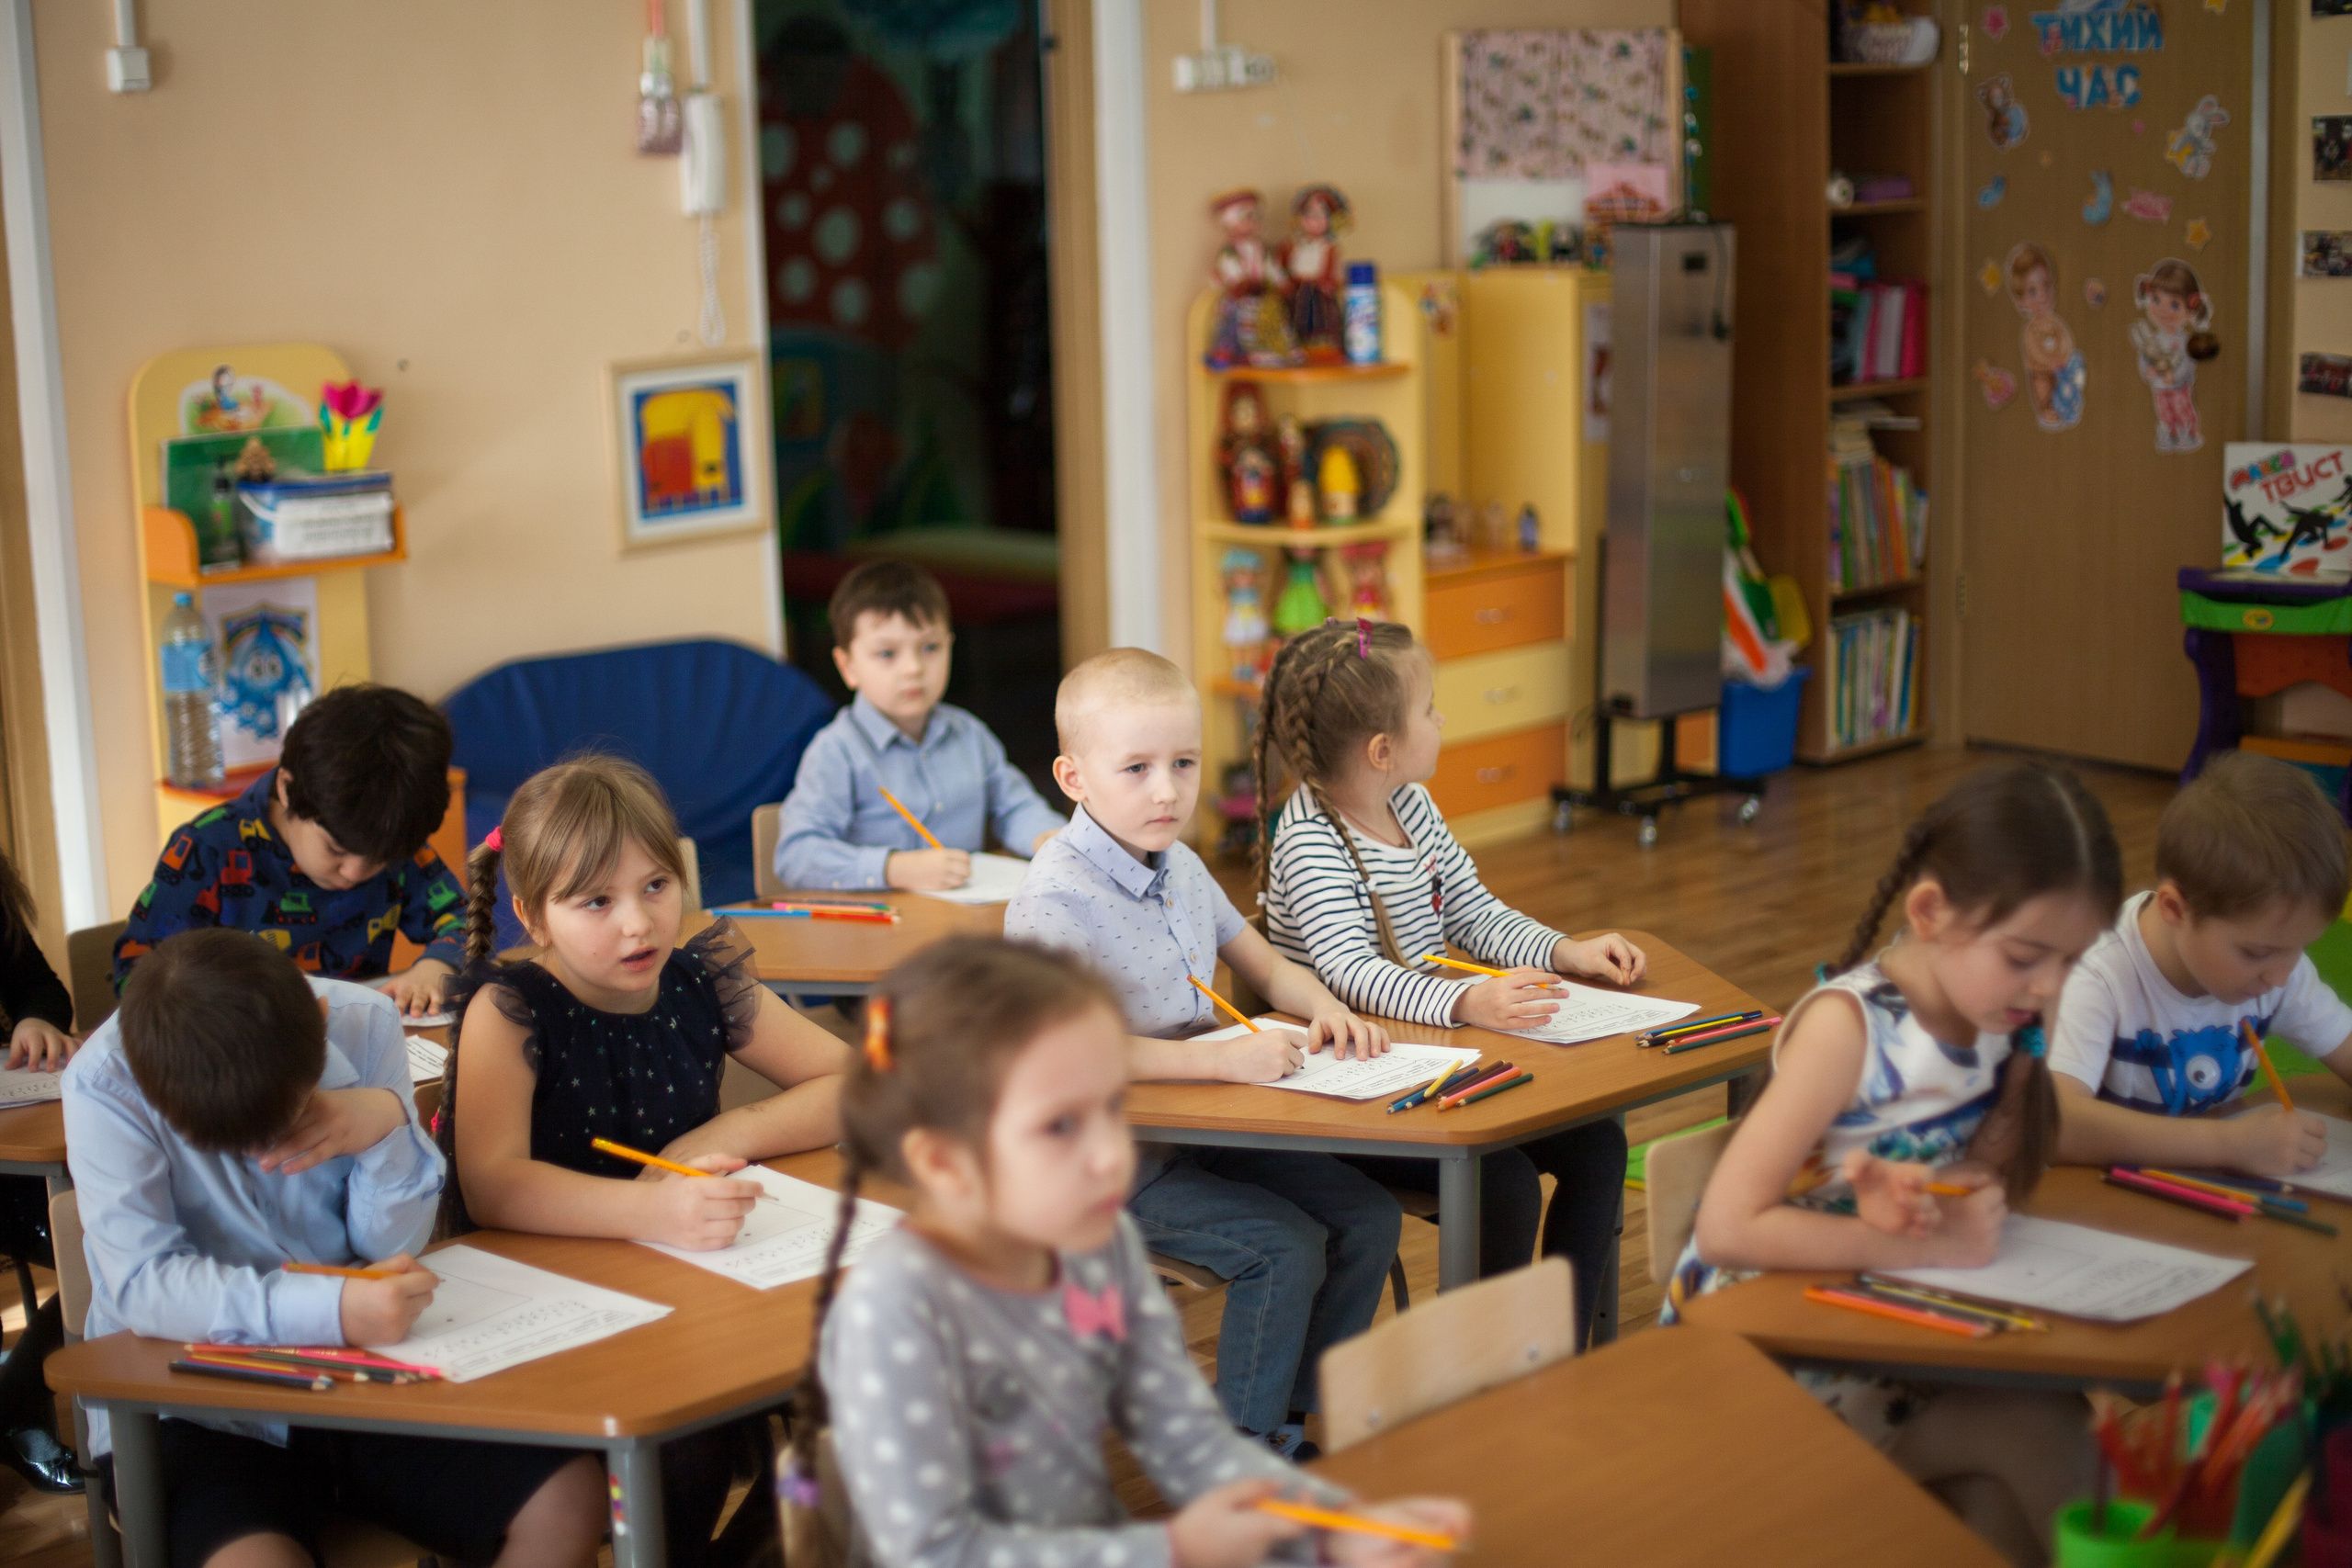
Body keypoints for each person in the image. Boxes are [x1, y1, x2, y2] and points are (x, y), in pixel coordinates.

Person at [785, 936, 1469, 1568]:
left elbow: (1190, 1441)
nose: (1110, 1154)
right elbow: (936, 1550)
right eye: (1059, 1127)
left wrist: (1336, 1526)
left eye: (1110, 1108)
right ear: (944, 1163)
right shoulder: (895, 1312)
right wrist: (1170, 1546)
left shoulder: (1099, 1250)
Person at [1663, 759, 2119, 1564]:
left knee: (2008, 1493)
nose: (2050, 986)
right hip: (1763, 1351)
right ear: (1932, 911)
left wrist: (1996, 1129)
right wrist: (1924, 1245)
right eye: (2025, 956)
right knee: (2053, 1438)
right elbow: (1729, 1228)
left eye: (2072, 962)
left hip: (1887, 1322)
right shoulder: (1850, 1029)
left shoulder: (1995, 1013)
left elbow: (1972, 1175)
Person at [62, 930, 605, 1568]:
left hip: (360, 1374)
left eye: (284, 1124)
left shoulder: (363, 1022)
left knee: (569, 1499)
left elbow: (385, 1247)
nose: (256, 1157)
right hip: (199, 1405)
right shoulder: (105, 1082)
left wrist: (382, 1125)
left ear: (318, 1027)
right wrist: (333, 1307)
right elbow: (146, 1285)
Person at [439, 753, 852, 1563]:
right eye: (596, 901)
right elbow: (494, 1186)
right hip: (563, 1311)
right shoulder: (510, 1007)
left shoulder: (700, 976)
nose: (639, 923)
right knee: (683, 1460)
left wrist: (723, 1137)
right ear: (533, 913)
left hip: (698, 1288)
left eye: (656, 886)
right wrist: (650, 1208)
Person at [1006, 649, 1398, 1461]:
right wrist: (1221, 1062)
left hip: (1211, 1129)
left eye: (1183, 763)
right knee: (1281, 1249)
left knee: (1369, 1216)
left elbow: (1259, 960)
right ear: (1073, 777)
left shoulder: (1179, 863)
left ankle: (1294, 1412)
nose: (1167, 789)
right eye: (1138, 767)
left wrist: (1326, 1004)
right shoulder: (1054, 897)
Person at [1253, 619, 1638, 1344]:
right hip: (1355, 1092)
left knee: (1598, 1147)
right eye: (1430, 709)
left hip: (1438, 1061)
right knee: (1507, 1184)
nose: (1443, 720)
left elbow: (1474, 910)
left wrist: (1565, 951)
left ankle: (1558, 1345)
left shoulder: (1411, 805)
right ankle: (1485, 1367)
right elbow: (1352, 974)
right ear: (1382, 750)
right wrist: (1468, 999)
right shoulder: (1308, 839)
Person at [2052, 750, 2352, 1174]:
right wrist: (2227, 1145)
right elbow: (2056, 1125)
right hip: (2102, 1202)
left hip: (2207, 1195)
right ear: (2175, 909)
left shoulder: (2274, 963)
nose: (2282, 975)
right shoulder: (2098, 974)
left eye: (2301, 947)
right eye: (2256, 953)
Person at [112, 682, 468, 1018]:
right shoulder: (208, 849)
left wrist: (435, 967)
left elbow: (470, 919)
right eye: (335, 849)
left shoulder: (385, 832)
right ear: (286, 789)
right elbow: (138, 972)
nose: (355, 873)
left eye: (379, 861)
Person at [775, 559, 1064, 893]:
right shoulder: (836, 751)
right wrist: (892, 869)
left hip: (962, 917)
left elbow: (1015, 808)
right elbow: (795, 857)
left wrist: (1044, 836)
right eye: (887, 654)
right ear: (847, 666)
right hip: (877, 927)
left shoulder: (969, 734)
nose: (913, 668)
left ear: (950, 648)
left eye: (930, 647)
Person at [0, 848, 76, 1493]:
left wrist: (36, 1018)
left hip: (13, 1144)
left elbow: (41, 985)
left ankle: (13, 1396)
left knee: (102, 1242)